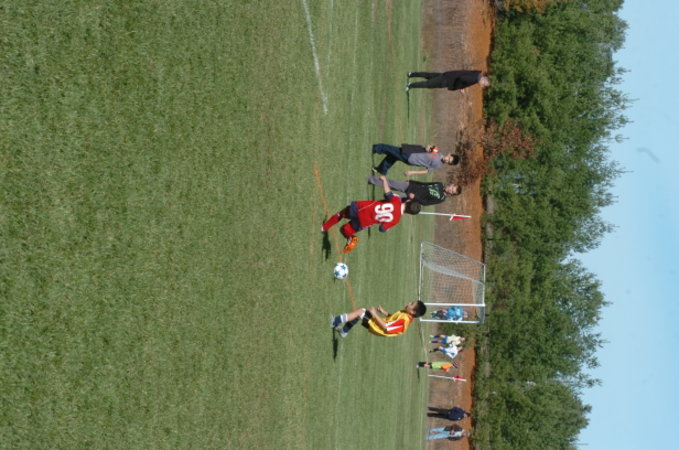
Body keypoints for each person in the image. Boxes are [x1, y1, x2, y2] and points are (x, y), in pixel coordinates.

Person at [321, 176, 421, 253]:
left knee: (341, 214)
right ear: (409, 214)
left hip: (362, 209)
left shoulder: (396, 200)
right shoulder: (396, 220)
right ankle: (350, 238)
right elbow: (382, 228)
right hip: (365, 222)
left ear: (408, 201)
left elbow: (388, 194)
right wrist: (386, 228)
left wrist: (384, 180)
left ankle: (324, 227)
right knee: (344, 229)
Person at [330, 301, 427, 338]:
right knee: (360, 314)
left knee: (361, 312)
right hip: (378, 323)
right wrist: (384, 312)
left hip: (378, 328)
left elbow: (387, 328)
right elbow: (394, 318)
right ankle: (344, 331)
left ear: (413, 312)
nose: (409, 303)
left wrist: (375, 315)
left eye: (412, 304)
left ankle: (334, 321)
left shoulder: (404, 322)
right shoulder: (406, 314)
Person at [371, 143, 459, 176]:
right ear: (449, 154)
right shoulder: (438, 151)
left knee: (391, 150)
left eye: (448, 162)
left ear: (448, 164)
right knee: (393, 156)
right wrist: (428, 146)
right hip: (413, 149)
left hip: (411, 158)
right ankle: (382, 169)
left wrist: (412, 172)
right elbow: (428, 146)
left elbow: (426, 171)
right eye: (449, 158)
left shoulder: (438, 165)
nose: (447, 160)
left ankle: (375, 148)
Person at [366, 176, 461, 206]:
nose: (450, 189)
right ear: (451, 185)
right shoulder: (440, 184)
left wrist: (414, 197)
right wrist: (412, 181)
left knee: (391, 200)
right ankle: (370, 180)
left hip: (411, 197)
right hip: (411, 186)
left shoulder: (441, 198)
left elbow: (426, 203)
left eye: (452, 191)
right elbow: (425, 183)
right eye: (452, 187)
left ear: (451, 194)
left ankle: (373, 205)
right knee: (391, 183)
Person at [406, 70, 490, 92]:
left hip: (449, 75)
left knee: (429, 75)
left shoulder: (477, 73)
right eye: (484, 84)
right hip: (448, 81)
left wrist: (462, 87)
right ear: (483, 79)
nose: (482, 86)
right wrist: (458, 87)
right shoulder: (474, 79)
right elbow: (462, 79)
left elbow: (464, 76)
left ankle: (411, 74)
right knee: (429, 84)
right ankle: (410, 85)